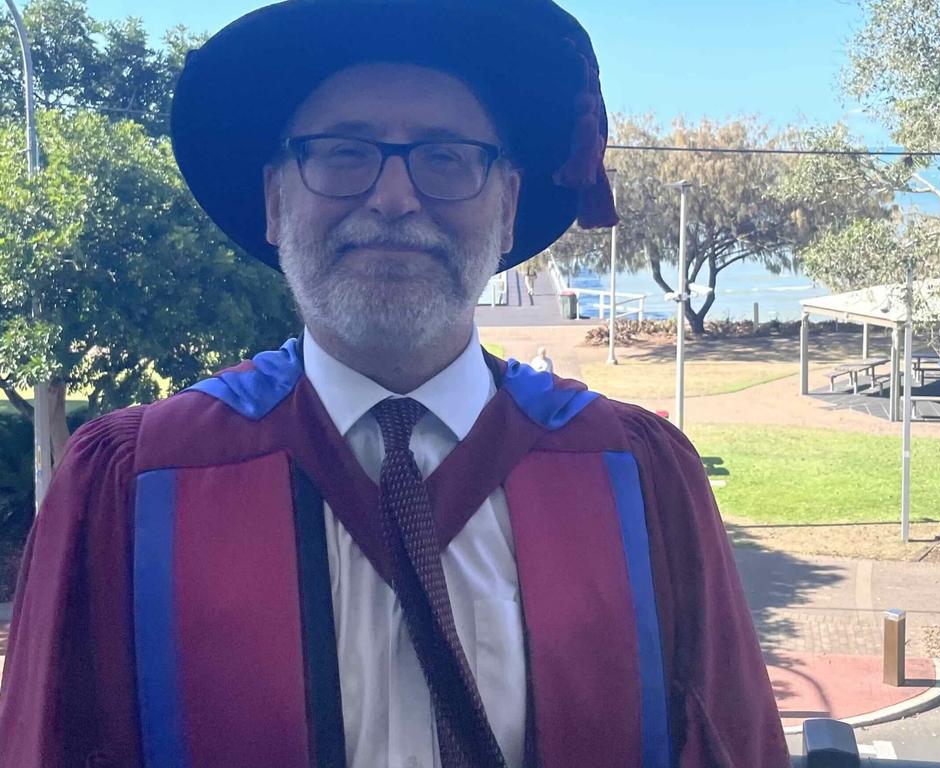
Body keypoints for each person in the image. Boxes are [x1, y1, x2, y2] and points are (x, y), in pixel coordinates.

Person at [0, 2, 789, 767]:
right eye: (344, 151)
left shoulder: (638, 478)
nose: (394, 196)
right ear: (276, 200)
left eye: (446, 157)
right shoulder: (132, 485)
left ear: (508, 207)